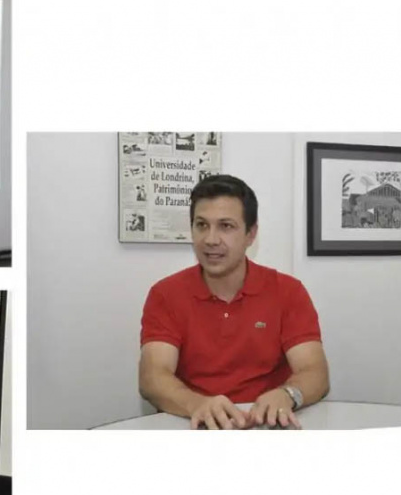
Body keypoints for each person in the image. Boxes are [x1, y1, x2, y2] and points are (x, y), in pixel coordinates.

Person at [138, 175, 330, 430]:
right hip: (195, 422)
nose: (211, 239)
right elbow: (153, 377)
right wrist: (197, 404)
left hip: (268, 424)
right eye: (201, 225)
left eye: (226, 226)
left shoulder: (287, 291)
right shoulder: (166, 294)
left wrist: (288, 395)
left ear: (251, 234)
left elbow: (314, 371)